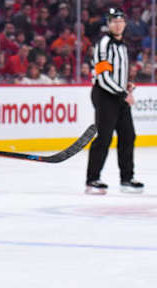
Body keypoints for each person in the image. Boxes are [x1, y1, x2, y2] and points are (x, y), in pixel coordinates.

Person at [85, 8, 144, 194]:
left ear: (125, 24)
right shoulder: (104, 44)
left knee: (128, 136)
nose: (118, 25)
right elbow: (102, 77)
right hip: (104, 96)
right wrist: (122, 93)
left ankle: (127, 178)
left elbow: (118, 74)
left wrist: (126, 85)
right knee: (104, 138)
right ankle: (93, 178)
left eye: (121, 21)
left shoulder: (124, 46)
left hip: (118, 96)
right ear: (108, 24)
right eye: (114, 22)